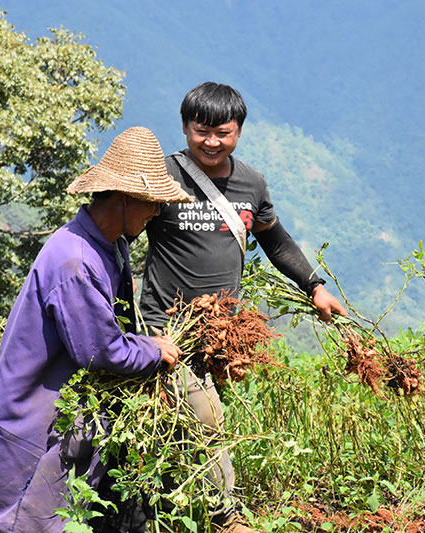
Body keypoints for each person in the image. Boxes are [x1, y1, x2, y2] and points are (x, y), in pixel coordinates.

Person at [139, 82, 348, 530]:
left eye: (223, 133)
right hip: (164, 332)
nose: (212, 143)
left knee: (179, 426)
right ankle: (226, 518)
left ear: (239, 132)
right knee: (206, 420)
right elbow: (119, 238)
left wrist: (314, 286)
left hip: (219, 338)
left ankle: (163, 513)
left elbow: (274, 239)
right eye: (201, 132)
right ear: (185, 128)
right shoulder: (163, 176)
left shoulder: (250, 183)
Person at [0, 127, 194, 533]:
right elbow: (100, 349)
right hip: (31, 422)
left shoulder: (111, 246)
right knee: (26, 522)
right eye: (153, 204)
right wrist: (153, 351)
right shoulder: (75, 261)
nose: (156, 214)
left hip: (62, 413)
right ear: (126, 200)